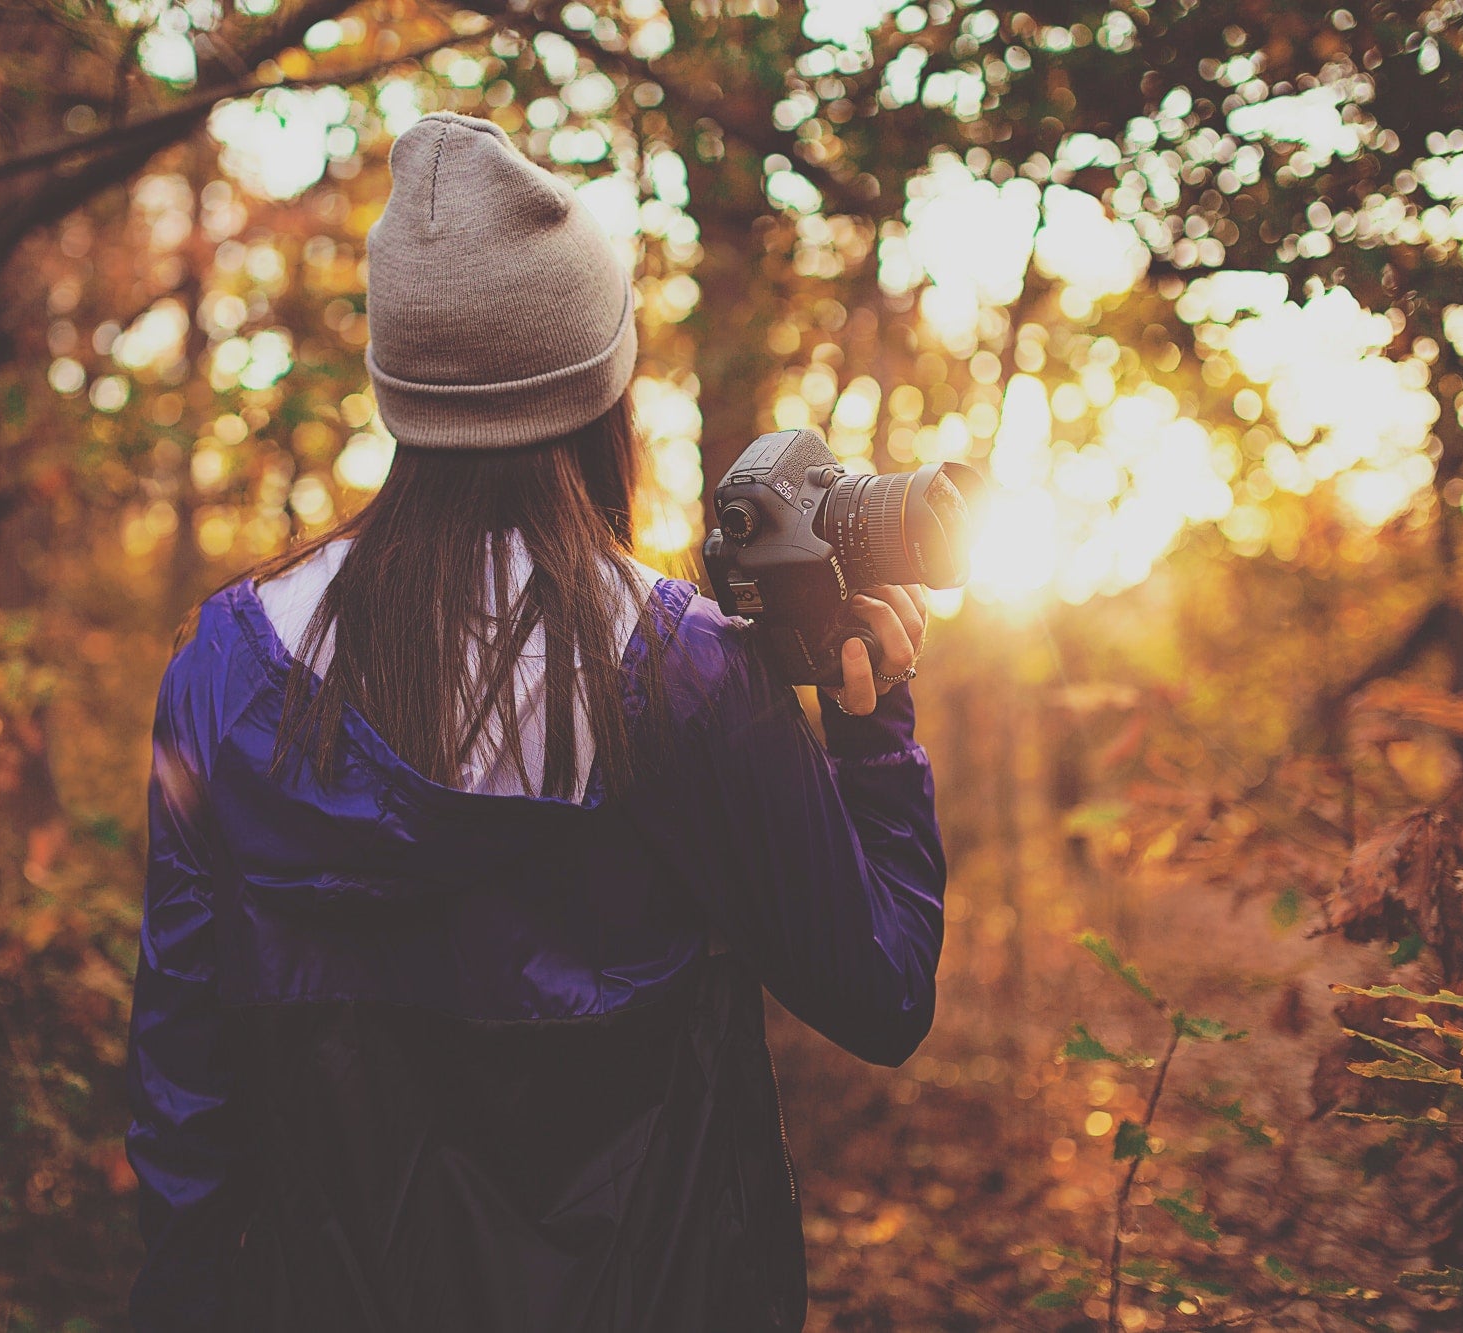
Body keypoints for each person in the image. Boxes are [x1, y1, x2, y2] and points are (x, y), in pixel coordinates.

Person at [126, 111, 945, 1333]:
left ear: (397, 387)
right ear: (600, 389)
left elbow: (184, 1077)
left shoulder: (223, 670)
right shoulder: (684, 673)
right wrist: (872, 732)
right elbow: (880, 993)